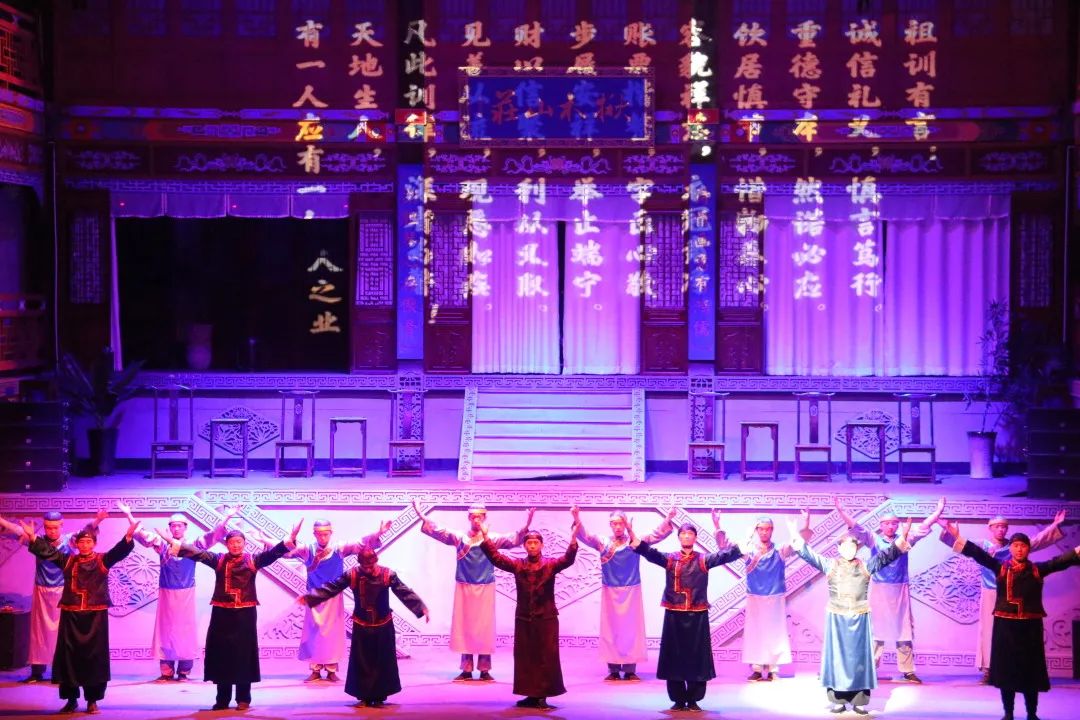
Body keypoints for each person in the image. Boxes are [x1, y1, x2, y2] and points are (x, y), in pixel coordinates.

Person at [940, 520, 1080, 720]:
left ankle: (1032, 713)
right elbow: (978, 554)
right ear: (1011, 549)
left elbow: (1059, 562)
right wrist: (956, 536)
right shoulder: (1001, 568)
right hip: (1005, 628)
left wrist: (1077, 551)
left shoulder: (1037, 570)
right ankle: (1008, 713)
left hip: (1030, 629)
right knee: (1007, 672)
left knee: (1030, 672)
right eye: (1016, 546)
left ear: (1028, 549)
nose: (1019, 549)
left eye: (1023, 546)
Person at [167, 520, 301, 711]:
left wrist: (289, 540)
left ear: (244, 544)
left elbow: (271, 555)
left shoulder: (253, 560)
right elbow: (198, 554)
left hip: (245, 614)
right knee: (222, 655)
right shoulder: (219, 560)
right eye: (232, 542)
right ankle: (222, 699)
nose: (236, 545)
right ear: (227, 544)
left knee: (243, 655)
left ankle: (243, 698)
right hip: (221, 613)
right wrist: (176, 544)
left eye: (239, 542)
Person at [790, 515, 913, 715]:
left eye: (852, 546)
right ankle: (838, 700)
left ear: (857, 548)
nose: (849, 549)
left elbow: (888, 555)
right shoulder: (830, 565)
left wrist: (903, 537)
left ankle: (859, 700)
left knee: (859, 660)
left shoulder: (866, 566)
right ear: (839, 549)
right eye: (845, 546)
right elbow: (809, 555)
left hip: (859, 619)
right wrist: (795, 536)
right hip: (837, 620)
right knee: (838, 659)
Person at [21, 509, 139, 715]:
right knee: (69, 658)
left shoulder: (102, 560)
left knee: (94, 659)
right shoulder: (68, 561)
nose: (84, 545)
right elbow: (49, 552)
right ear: (76, 544)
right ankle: (71, 700)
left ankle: (92, 700)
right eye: (81, 542)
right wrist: (32, 538)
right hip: (71, 615)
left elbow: (118, 552)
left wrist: (128, 537)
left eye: (88, 542)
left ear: (94, 543)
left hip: (95, 617)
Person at [412, 500, 534, 681]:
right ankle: (466, 669)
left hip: (486, 586)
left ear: (485, 518)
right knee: (465, 628)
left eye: (480, 517)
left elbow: (513, 539)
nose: (476, 520)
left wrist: (527, 523)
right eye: (473, 516)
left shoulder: (491, 538)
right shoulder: (460, 537)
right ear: (469, 518)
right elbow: (438, 530)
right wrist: (421, 515)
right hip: (464, 586)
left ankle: (484, 669)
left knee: (484, 629)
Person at [632, 519, 744, 713]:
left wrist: (723, 531)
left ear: (695, 538)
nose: (686, 536)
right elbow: (651, 554)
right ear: (679, 537)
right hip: (674, 614)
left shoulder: (703, 559)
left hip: (697, 615)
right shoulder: (670, 559)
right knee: (673, 658)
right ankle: (677, 699)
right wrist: (636, 542)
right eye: (683, 533)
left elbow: (725, 555)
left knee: (696, 658)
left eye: (690, 534)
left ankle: (693, 699)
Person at [833, 496, 945, 683]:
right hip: (880, 589)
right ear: (881, 526)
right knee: (877, 630)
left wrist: (938, 511)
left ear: (898, 525)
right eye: (887, 523)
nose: (891, 526)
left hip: (900, 589)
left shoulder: (905, 538)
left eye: (894, 523)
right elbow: (856, 527)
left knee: (904, 630)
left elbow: (924, 526)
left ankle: (907, 670)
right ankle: (869, 668)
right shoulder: (873, 539)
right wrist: (841, 511)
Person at [299, 546, 429, 708]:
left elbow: (403, 591)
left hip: (383, 624)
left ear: (376, 561)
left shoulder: (387, 574)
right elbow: (333, 587)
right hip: (361, 625)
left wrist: (421, 607)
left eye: (370, 565)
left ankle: (380, 696)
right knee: (362, 662)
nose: (367, 569)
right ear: (360, 563)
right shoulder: (352, 574)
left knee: (382, 661)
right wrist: (311, 597)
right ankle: (364, 696)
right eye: (364, 566)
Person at [126, 503, 234, 682]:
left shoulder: (193, 544)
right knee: (165, 631)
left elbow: (213, 535)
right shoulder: (161, 542)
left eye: (179, 525)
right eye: (173, 526)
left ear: (185, 527)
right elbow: (142, 534)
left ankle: (184, 671)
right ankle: (166, 672)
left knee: (186, 631)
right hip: (166, 592)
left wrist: (227, 517)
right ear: (169, 528)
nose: (176, 528)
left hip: (186, 593)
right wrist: (129, 514)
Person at [955, 511, 1066, 683]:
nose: (1001, 530)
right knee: (988, 631)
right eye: (997, 527)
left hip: (1012, 594)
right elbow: (967, 547)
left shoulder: (1014, 546)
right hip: (990, 591)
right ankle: (989, 670)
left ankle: (1012, 669)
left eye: (1004, 527)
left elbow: (1038, 540)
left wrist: (1055, 524)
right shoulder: (983, 545)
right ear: (990, 528)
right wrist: (952, 533)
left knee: (1011, 633)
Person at [480, 519, 578, 710]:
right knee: (525, 657)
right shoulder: (518, 565)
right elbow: (497, 559)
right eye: (529, 543)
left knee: (545, 657)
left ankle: (542, 695)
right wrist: (485, 536)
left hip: (546, 619)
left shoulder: (550, 564)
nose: (532, 546)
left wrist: (573, 539)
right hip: (524, 618)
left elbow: (567, 559)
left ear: (541, 545)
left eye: (536, 543)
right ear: (524, 546)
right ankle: (531, 694)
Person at [0, 509, 106, 684]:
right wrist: (2, 521)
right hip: (41, 590)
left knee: (62, 634)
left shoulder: (69, 541)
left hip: (63, 591)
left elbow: (84, 532)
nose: (52, 531)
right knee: (38, 633)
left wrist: (98, 520)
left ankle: (62, 671)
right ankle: (37, 671)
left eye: (55, 527)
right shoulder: (37, 541)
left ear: (61, 525)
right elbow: (18, 531)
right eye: (48, 527)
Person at [570, 504, 675, 682]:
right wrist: (576, 517)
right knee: (610, 631)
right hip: (610, 591)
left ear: (625, 524)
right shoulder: (603, 542)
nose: (618, 526)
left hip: (632, 591)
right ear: (610, 525)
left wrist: (669, 518)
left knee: (631, 631)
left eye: (621, 523)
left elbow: (656, 535)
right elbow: (585, 536)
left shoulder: (634, 541)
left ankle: (630, 670)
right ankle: (613, 670)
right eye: (614, 523)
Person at [715, 510, 812, 682]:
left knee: (775, 633)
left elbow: (799, 544)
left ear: (772, 530)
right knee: (756, 633)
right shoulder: (748, 549)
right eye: (761, 529)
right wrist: (717, 524)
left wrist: (806, 523)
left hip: (775, 597)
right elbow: (725, 547)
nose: (764, 532)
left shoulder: (780, 550)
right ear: (756, 530)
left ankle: (773, 669)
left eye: (767, 529)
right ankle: (757, 669)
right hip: (755, 597)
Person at [290, 517, 390, 682]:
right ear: (314, 534)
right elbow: (286, 548)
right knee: (313, 633)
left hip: (334, 596)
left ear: (331, 533)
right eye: (319, 534)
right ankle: (315, 669)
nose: (323, 537)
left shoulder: (339, 548)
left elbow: (361, 542)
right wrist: (274, 540)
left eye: (326, 534)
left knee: (333, 634)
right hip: (314, 597)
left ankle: (331, 669)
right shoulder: (307, 549)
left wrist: (378, 533)